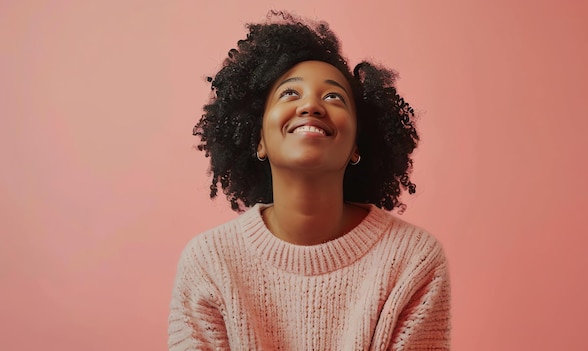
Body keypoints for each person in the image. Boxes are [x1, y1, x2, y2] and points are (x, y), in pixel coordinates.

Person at [168, 11, 451, 350]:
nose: (311, 106)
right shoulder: (210, 262)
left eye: (334, 97)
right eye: (290, 94)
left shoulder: (413, 260)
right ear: (258, 139)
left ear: (356, 146)